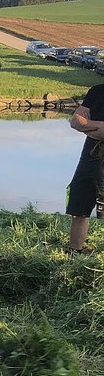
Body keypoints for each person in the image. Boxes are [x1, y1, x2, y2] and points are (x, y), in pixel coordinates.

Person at [66, 81, 104, 254]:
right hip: (90, 156)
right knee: (79, 206)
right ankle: (74, 251)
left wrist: (88, 126)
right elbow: (75, 121)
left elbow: (83, 124)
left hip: (94, 151)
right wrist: (97, 127)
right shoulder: (97, 91)